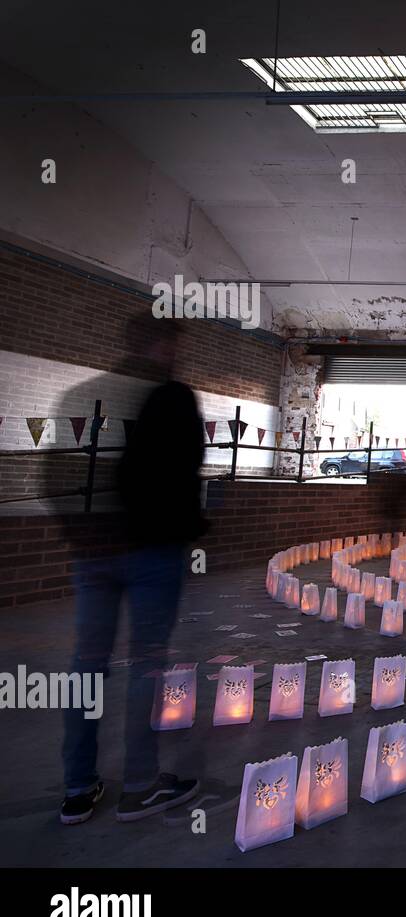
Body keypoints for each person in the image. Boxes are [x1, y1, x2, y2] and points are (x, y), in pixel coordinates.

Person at [59, 315, 204, 825]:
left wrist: (79, 535)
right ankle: (139, 785)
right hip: (153, 551)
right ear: (161, 345)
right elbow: (188, 469)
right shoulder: (174, 398)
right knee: (146, 664)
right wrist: (192, 528)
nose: (177, 354)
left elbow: (58, 468)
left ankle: (77, 787)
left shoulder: (86, 393)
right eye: (174, 343)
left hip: (93, 551)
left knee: (86, 666)